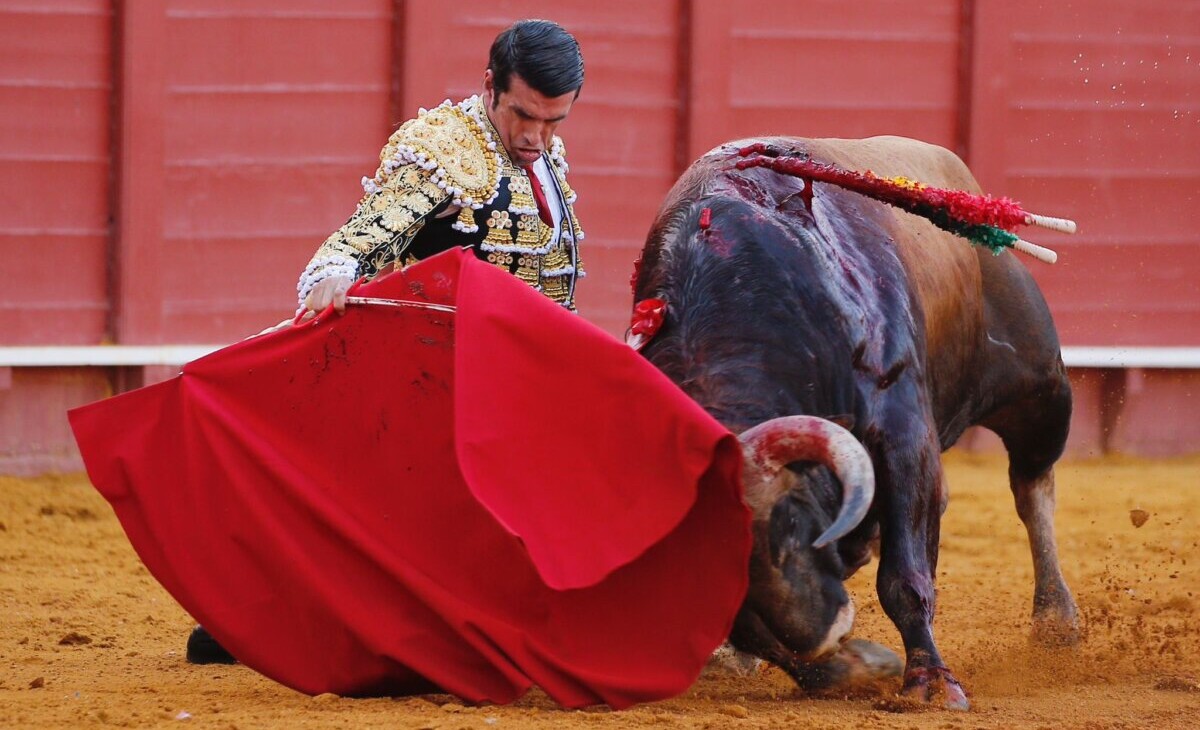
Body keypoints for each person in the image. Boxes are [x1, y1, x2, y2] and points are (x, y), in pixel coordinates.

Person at [186, 18, 586, 666]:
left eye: (553, 122)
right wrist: (334, 269)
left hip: (502, 380)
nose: (537, 137)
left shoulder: (547, 161)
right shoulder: (445, 148)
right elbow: (371, 230)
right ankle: (249, 622)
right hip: (427, 379)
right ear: (490, 87)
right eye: (524, 117)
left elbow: (549, 282)